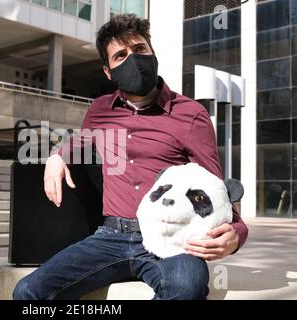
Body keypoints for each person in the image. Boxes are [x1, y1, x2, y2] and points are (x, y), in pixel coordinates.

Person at [13, 14, 248, 300]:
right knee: (28, 292)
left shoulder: (191, 114)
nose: (133, 59)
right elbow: (82, 141)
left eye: (140, 50)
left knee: (186, 290)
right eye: (121, 55)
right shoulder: (100, 110)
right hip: (110, 236)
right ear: (108, 72)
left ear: (153, 54)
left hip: (171, 239)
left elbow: (215, 186)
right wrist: (56, 156)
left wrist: (237, 232)